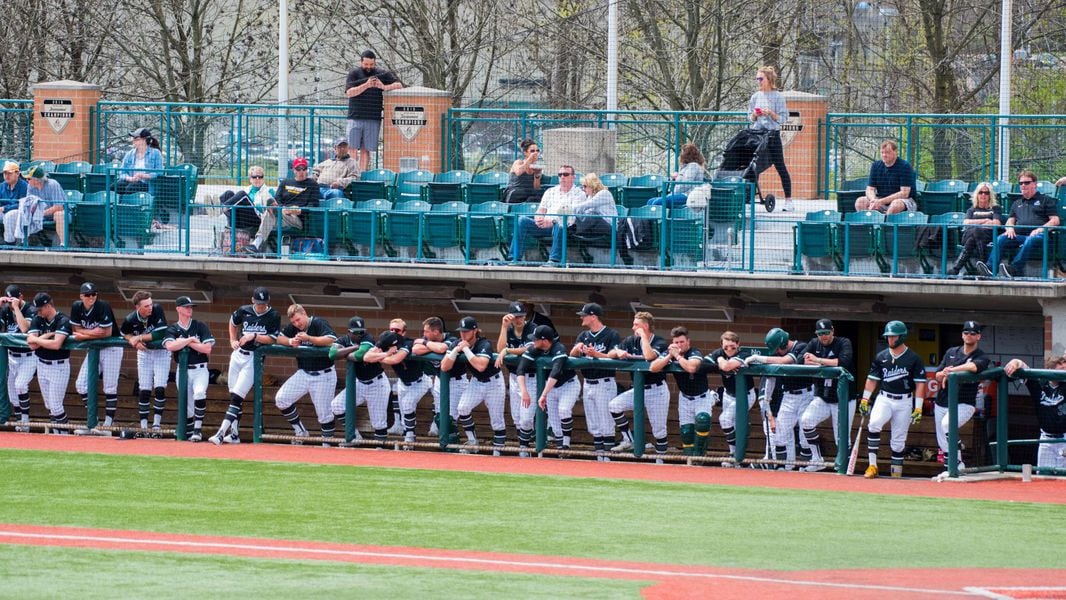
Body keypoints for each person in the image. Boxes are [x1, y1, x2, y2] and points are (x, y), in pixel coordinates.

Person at [211, 287, 280, 445]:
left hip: (254, 358)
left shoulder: (273, 315)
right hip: (238, 355)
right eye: (258, 303)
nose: (261, 306)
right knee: (233, 394)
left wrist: (253, 335)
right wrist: (232, 339)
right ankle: (234, 434)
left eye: (264, 303)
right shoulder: (245, 310)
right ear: (252, 300)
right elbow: (233, 321)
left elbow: (272, 338)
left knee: (237, 396)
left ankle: (221, 433)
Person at [858, 320, 927, 478]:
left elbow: (920, 385)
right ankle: (872, 466)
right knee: (874, 424)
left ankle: (896, 473)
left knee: (898, 441)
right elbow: (872, 379)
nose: (890, 340)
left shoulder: (914, 358)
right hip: (884, 398)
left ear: (901, 337)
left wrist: (918, 407)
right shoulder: (881, 356)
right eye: (888, 336)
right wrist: (864, 399)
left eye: (893, 337)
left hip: (904, 400)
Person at [744, 328, 813, 469]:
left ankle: (806, 469)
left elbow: (784, 361)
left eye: (777, 349)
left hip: (806, 395)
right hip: (789, 396)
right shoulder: (779, 353)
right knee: (780, 433)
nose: (776, 352)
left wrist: (758, 358)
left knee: (804, 436)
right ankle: (781, 468)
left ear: (783, 344)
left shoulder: (802, 347)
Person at [607, 311, 671, 461]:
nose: (633, 327)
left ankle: (661, 460)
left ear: (645, 326)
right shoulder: (630, 340)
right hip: (638, 390)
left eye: (636, 325)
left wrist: (643, 337)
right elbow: (610, 353)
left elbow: (649, 356)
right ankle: (629, 440)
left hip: (657, 390)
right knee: (614, 406)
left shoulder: (659, 342)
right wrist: (618, 352)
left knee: (659, 430)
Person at [976, 169, 1060, 279]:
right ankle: (990, 269)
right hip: (1020, 236)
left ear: (1034, 184)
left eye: (1026, 182)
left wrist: (1040, 229)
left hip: (1041, 236)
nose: (1023, 185)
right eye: (1021, 183)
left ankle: (1014, 269)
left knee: (1032, 238)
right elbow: (1010, 220)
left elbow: (1055, 220)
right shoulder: (1017, 203)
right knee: (1001, 238)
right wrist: (1009, 228)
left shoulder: (1045, 200)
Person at [274, 304, 338, 445]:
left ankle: (327, 444)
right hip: (304, 373)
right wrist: (291, 341)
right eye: (294, 322)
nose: (297, 324)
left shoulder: (318, 322)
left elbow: (331, 339)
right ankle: (301, 431)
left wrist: (309, 338)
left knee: (324, 414)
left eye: (298, 320)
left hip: (324, 374)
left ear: (304, 313)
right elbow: (278, 338)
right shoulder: (294, 328)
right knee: (281, 399)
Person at [931, 320, 990, 475]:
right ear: (962, 335)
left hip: (964, 402)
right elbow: (937, 375)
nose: (969, 335)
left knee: (947, 425)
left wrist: (951, 370)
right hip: (942, 400)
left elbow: (973, 367)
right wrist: (943, 373)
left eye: (972, 333)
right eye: (966, 332)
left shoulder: (981, 356)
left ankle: (956, 457)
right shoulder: (951, 352)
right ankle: (953, 467)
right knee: (942, 439)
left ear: (978, 336)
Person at [798, 319, 856, 471]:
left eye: (826, 333)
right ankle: (817, 460)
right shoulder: (813, 343)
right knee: (806, 421)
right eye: (820, 334)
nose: (823, 337)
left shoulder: (843, 342)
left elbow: (844, 361)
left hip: (844, 400)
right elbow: (800, 359)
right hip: (823, 398)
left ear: (832, 331)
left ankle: (844, 467)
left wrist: (818, 360)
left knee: (841, 437)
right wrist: (814, 362)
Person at [442, 316, 506, 455]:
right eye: (461, 331)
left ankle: (498, 450)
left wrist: (466, 350)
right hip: (476, 382)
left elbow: (481, 366)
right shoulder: (457, 343)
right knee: (463, 408)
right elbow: (444, 367)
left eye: (466, 331)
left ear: (475, 331)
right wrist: (455, 351)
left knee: (497, 420)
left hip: (494, 383)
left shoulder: (484, 344)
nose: (463, 334)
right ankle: (472, 442)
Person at [649, 326, 715, 456]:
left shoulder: (694, 352)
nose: (679, 344)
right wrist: (669, 355)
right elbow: (653, 367)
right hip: (684, 398)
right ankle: (689, 460)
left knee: (702, 421)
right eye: (676, 342)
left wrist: (678, 356)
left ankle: (700, 456)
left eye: (682, 342)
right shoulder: (671, 354)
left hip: (701, 397)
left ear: (688, 342)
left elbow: (691, 367)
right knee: (686, 431)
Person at [516, 325, 580, 457]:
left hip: (568, 385)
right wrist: (524, 391)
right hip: (551, 387)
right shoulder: (535, 349)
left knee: (563, 409)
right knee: (555, 422)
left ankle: (566, 445)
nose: (533, 341)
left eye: (536, 339)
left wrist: (543, 394)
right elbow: (521, 369)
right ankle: (560, 450)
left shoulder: (558, 348)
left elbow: (555, 372)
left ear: (544, 340)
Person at [571, 302, 622, 459]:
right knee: (593, 424)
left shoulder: (611, 334)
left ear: (593, 316)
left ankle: (607, 458)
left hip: (604, 382)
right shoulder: (583, 336)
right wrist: (578, 348)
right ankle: (600, 457)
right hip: (588, 383)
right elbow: (572, 355)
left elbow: (614, 354)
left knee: (606, 423)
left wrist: (596, 354)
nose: (582, 318)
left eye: (584, 315)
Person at [70, 282, 123, 430]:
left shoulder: (103, 305)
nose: (91, 297)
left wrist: (85, 334)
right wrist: (93, 332)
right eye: (87, 295)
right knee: (80, 384)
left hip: (112, 348)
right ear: (81, 296)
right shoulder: (76, 306)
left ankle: (108, 424)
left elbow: (106, 332)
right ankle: (94, 419)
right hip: (94, 349)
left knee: (110, 387)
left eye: (94, 294)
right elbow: (75, 329)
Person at [330, 316, 391, 443]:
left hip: (377, 383)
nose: (359, 335)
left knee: (378, 423)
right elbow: (332, 354)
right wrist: (353, 347)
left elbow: (359, 356)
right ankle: (355, 437)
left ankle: (381, 451)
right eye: (355, 332)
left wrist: (346, 353)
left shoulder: (367, 338)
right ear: (349, 331)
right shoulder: (344, 339)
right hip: (359, 383)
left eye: (361, 332)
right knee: (337, 405)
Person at [162, 296, 215, 442]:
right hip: (183, 371)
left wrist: (185, 343)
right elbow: (170, 346)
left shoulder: (199, 325)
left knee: (199, 393)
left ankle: (197, 430)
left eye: (191, 307)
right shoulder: (173, 328)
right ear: (178, 309)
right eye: (186, 307)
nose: (189, 309)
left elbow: (207, 349)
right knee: (187, 405)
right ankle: (190, 432)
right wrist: (191, 340)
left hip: (200, 369)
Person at [244, 156, 321, 255]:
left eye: (304, 169)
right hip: (280, 214)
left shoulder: (312, 184)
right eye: (298, 169)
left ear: (307, 170)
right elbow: (278, 199)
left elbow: (314, 204)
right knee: (268, 205)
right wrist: (283, 209)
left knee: (270, 211)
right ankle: (256, 244)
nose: (301, 171)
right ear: (294, 170)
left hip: (296, 218)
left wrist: (299, 210)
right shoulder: (285, 182)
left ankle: (257, 244)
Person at [510, 164, 584, 264]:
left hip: (566, 228)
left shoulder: (579, 194)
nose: (562, 177)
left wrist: (552, 221)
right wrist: (538, 218)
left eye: (566, 174)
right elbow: (541, 209)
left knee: (561, 221)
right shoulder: (550, 191)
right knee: (522, 220)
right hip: (545, 225)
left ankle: (554, 260)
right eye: (560, 174)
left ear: (573, 177)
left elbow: (572, 215)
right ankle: (514, 259)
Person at [119, 291, 170, 435]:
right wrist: (132, 341)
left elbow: (160, 333)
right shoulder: (130, 318)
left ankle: (156, 426)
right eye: (146, 305)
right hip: (144, 353)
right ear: (138, 307)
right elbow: (124, 333)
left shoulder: (157, 309)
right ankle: (144, 427)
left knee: (159, 387)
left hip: (161, 351)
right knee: (144, 389)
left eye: (150, 304)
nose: (150, 307)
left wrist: (139, 337)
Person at [1004, 355, 1066, 472]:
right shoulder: (1040, 383)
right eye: (1060, 369)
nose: (1063, 372)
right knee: (1044, 476)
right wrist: (1014, 362)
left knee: (1063, 477)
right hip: (1046, 439)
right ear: (1049, 371)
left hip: (1064, 439)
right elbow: (1023, 365)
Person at [345, 49, 403, 172]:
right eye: (366, 65)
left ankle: (362, 174)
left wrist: (383, 87)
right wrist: (366, 85)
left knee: (366, 150)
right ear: (361, 62)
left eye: (371, 65)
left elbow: (399, 85)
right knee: (352, 149)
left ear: (375, 63)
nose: (369, 67)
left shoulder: (382, 73)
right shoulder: (354, 74)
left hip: (373, 118)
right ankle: (352, 173)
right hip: (355, 117)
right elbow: (349, 93)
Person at [364, 319, 420, 444]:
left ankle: (410, 438)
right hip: (403, 382)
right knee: (404, 406)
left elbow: (395, 359)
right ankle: (405, 431)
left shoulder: (408, 342)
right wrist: (387, 353)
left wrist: (381, 357)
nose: (394, 332)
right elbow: (367, 357)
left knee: (407, 404)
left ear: (404, 332)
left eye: (397, 330)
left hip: (420, 381)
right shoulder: (385, 341)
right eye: (392, 330)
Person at [705, 331, 758, 462]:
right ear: (722, 345)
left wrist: (719, 359)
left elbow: (726, 366)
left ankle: (737, 454)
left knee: (724, 419)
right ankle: (733, 454)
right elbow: (703, 364)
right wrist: (718, 358)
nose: (729, 349)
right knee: (730, 423)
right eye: (726, 347)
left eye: (732, 346)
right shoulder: (719, 353)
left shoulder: (744, 354)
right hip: (728, 395)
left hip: (746, 395)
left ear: (738, 344)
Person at [748, 66, 793, 212]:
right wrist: (755, 115)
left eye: (761, 79)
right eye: (757, 79)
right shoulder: (755, 97)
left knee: (780, 166)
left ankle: (788, 200)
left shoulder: (778, 97)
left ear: (768, 79)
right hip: (758, 135)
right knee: (753, 166)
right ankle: (750, 195)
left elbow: (783, 118)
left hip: (772, 136)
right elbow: (749, 117)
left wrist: (771, 113)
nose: (758, 81)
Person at [25, 292, 72, 431]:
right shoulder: (37, 319)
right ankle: (56, 434)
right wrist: (47, 336)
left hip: (59, 366)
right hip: (41, 364)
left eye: (40, 309)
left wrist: (37, 339)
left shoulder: (63, 320)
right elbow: (31, 344)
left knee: (56, 405)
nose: (38, 312)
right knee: (49, 405)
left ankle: (64, 434)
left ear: (48, 306)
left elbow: (56, 345)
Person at [494, 302, 536, 454]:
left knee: (526, 419)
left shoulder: (533, 328)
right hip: (513, 377)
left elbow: (529, 348)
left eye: (521, 316)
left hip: (531, 378)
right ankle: (523, 448)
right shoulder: (509, 330)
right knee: (517, 418)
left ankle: (525, 448)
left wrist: (508, 350)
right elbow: (499, 349)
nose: (519, 320)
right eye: (516, 317)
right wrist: (504, 327)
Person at [412, 316, 464, 436]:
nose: (424, 334)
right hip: (440, 380)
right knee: (440, 416)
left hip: (456, 381)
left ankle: (453, 445)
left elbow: (442, 348)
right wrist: (430, 346)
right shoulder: (429, 340)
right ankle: (446, 443)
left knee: (450, 418)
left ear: (436, 332)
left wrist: (425, 344)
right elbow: (415, 348)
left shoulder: (451, 338)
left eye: (426, 331)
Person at [3, 166, 66, 246]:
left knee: (60, 214)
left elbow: (59, 207)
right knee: (19, 213)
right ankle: (23, 242)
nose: (26, 180)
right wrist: (32, 212)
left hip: (57, 213)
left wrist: (41, 213)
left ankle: (63, 244)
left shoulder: (53, 184)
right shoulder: (30, 187)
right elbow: (28, 204)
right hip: (40, 214)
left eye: (29, 179)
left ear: (36, 180)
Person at [948, 182, 1002, 276]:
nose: (983, 195)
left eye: (986, 193)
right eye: (981, 192)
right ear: (977, 194)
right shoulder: (972, 209)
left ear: (990, 195)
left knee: (972, 238)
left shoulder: (995, 208)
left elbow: (997, 223)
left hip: (988, 237)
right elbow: (966, 222)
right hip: (970, 234)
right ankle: (983, 264)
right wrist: (985, 220)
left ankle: (956, 268)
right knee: (975, 231)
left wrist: (975, 223)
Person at [1, 284, 34, 430]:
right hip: (12, 356)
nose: (10, 303)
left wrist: (16, 308)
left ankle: (25, 420)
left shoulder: (30, 309)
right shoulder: (5, 310)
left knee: (20, 385)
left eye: (13, 299)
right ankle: (20, 420)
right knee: (13, 395)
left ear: (21, 297)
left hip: (28, 356)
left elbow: (24, 328)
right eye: (8, 300)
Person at [856, 140, 916, 215]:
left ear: (895, 152)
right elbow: (870, 189)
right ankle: (869, 225)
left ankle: (886, 225)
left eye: (887, 152)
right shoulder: (876, 166)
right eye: (882, 152)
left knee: (896, 204)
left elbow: (904, 193)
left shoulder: (904, 166)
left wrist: (881, 201)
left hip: (903, 201)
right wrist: (873, 200)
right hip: (880, 199)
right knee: (860, 201)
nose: (884, 155)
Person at [647, 144, 706, 208]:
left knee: (657, 202)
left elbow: (686, 184)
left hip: (688, 195)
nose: (680, 155)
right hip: (679, 194)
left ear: (687, 154)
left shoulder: (693, 166)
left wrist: (675, 189)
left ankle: (663, 217)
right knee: (650, 201)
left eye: (682, 152)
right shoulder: (686, 167)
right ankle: (657, 217)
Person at [219, 166, 274, 231]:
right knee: (228, 193)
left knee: (242, 194)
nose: (257, 179)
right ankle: (223, 210)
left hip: (258, 219)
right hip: (242, 219)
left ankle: (223, 208)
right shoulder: (247, 189)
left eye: (260, 177)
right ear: (250, 179)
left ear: (263, 179)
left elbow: (272, 208)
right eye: (254, 177)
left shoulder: (269, 190)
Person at [570, 173, 619, 240]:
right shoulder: (590, 196)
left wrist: (569, 209)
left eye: (585, 186)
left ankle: (572, 229)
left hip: (611, 227)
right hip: (599, 226)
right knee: (588, 215)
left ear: (592, 185)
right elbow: (585, 211)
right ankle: (570, 227)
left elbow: (586, 205)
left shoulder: (604, 193)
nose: (583, 189)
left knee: (594, 216)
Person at [117, 128, 164, 195]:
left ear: (145, 140)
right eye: (133, 139)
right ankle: (117, 205)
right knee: (115, 187)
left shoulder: (156, 153)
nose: (134, 141)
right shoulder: (129, 154)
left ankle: (127, 204)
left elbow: (159, 172)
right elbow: (122, 172)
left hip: (147, 184)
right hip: (131, 181)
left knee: (130, 188)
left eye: (137, 139)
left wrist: (144, 176)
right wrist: (129, 178)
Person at [503, 138, 545, 204]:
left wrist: (537, 175)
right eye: (532, 151)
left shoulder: (536, 166)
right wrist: (530, 158)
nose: (535, 153)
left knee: (539, 194)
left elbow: (536, 187)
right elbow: (519, 172)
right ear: (525, 153)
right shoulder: (518, 162)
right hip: (515, 192)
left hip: (529, 192)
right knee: (518, 193)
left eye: (537, 150)